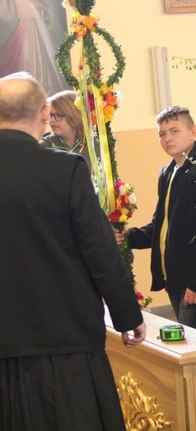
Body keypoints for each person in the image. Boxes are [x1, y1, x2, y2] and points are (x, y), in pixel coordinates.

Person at [0, 72, 145, 430]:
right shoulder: (64, 170)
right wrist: (128, 316)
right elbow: (99, 252)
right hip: (65, 343)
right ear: (45, 112)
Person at [117, 106, 196, 337]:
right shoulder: (169, 172)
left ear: (193, 132)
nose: (167, 138)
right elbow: (162, 226)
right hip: (177, 277)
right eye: (162, 133)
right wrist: (129, 236)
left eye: (174, 131)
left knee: (193, 347)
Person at [0, 0, 67, 95]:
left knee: (42, 55)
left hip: (37, 28)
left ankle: (43, 85)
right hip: (23, 29)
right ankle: (28, 88)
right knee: (26, 56)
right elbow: (7, 15)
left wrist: (41, 7)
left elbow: (46, 9)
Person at [39, 90, 98, 169]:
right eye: (51, 115)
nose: (52, 120)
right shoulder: (43, 147)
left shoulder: (94, 145)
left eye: (59, 115)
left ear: (73, 115)